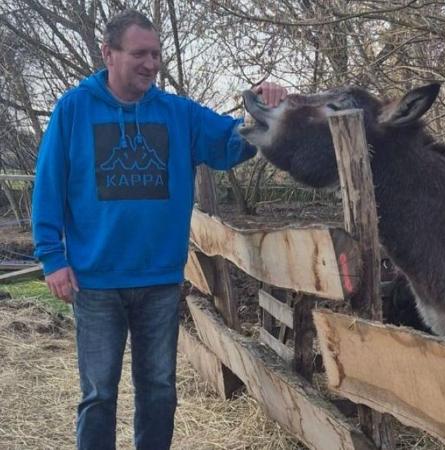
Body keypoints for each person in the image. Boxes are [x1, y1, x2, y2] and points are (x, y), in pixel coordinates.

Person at [31, 9, 286, 450]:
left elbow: (229, 143)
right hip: (96, 281)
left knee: (159, 391)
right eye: (139, 54)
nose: (151, 63)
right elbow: (49, 184)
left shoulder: (177, 113)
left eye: (156, 54)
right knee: (98, 395)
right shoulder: (74, 109)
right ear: (107, 54)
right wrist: (53, 257)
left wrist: (266, 109)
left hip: (159, 280)